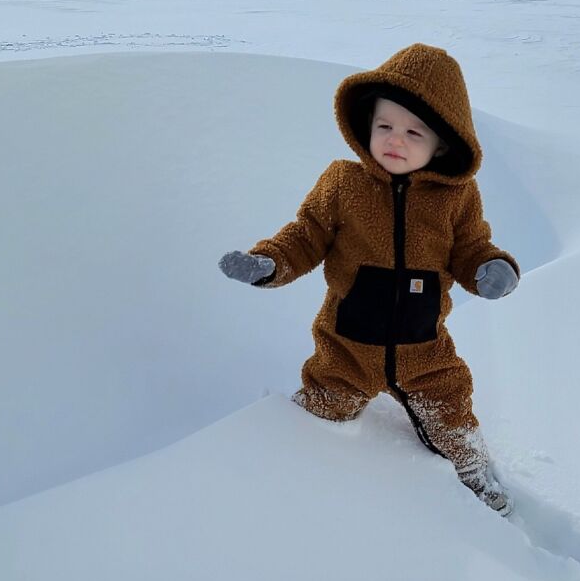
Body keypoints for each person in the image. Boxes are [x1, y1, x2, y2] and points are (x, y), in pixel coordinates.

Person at [218, 43, 520, 515]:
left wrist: (490, 269)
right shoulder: (344, 183)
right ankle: (289, 480)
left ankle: (473, 472)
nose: (395, 140)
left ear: (442, 142)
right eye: (385, 126)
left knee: (451, 411)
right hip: (347, 342)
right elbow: (306, 234)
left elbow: (470, 247)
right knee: (321, 408)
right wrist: (270, 262)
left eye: (413, 131)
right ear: (366, 127)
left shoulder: (456, 197)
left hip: (424, 344)